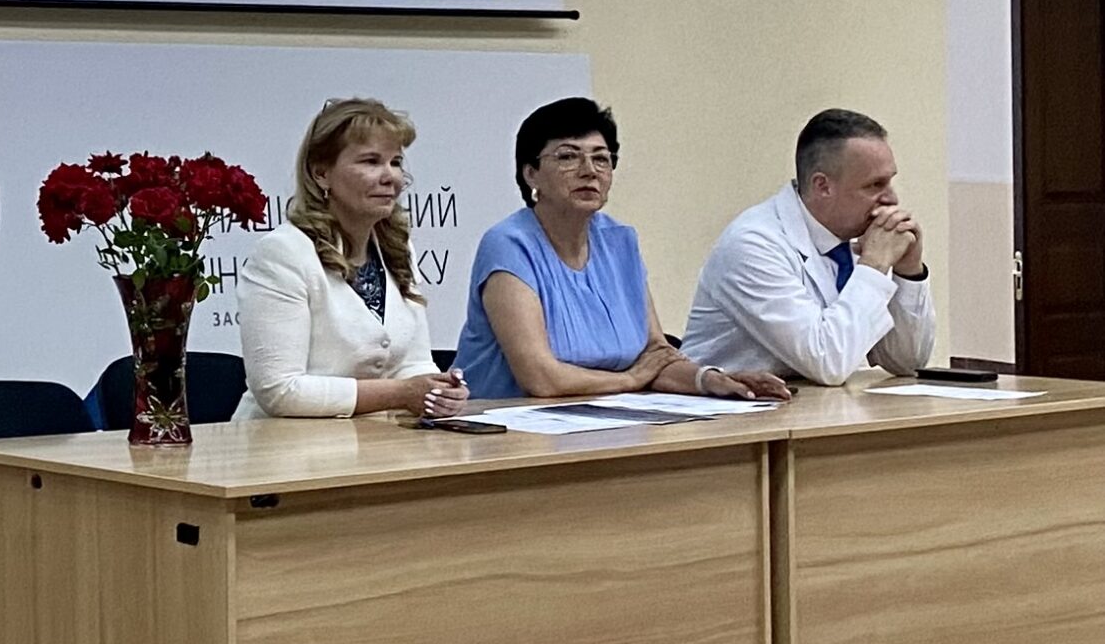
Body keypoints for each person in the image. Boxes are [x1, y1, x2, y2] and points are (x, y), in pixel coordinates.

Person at [453, 97, 793, 403]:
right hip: (503, 430)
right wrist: (629, 380)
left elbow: (656, 356)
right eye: (568, 156)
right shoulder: (508, 245)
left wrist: (712, 380)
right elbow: (541, 378)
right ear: (531, 174)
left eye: (601, 159)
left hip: (600, 422)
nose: (589, 171)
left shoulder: (619, 242)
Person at [236, 97, 471, 420]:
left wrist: (438, 390)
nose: (391, 177)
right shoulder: (283, 253)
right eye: (371, 161)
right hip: (283, 445)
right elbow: (280, 390)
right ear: (321, 174)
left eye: (396, 162)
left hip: (373, 440)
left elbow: (413, 364)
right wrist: (402, 393)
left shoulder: (396, 247)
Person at [682, 108, 937, 382]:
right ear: (822, 186)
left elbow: (907, 362)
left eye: (890, 181)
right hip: (727, 406)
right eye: (875, 185)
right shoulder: (752, 244)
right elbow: (827, 361)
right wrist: (874, 265)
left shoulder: (859, 237)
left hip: (808, 404)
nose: (892, 199)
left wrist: (909, 271)